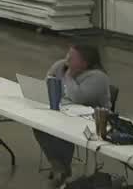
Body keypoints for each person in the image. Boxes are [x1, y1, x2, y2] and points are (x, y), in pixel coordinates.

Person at [35, 45, 111, 186]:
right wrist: (55, 74)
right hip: (66, 113)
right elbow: (46, 84)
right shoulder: (60, 66)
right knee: (38, 124)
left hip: (92, 122)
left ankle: (62, 170)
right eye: (68, 54)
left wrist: (68, 75)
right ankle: (59, 165)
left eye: (72, 57)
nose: (67, 59)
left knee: (62, 128)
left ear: (84, 63)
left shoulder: (98, 77)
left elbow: (77, 97)